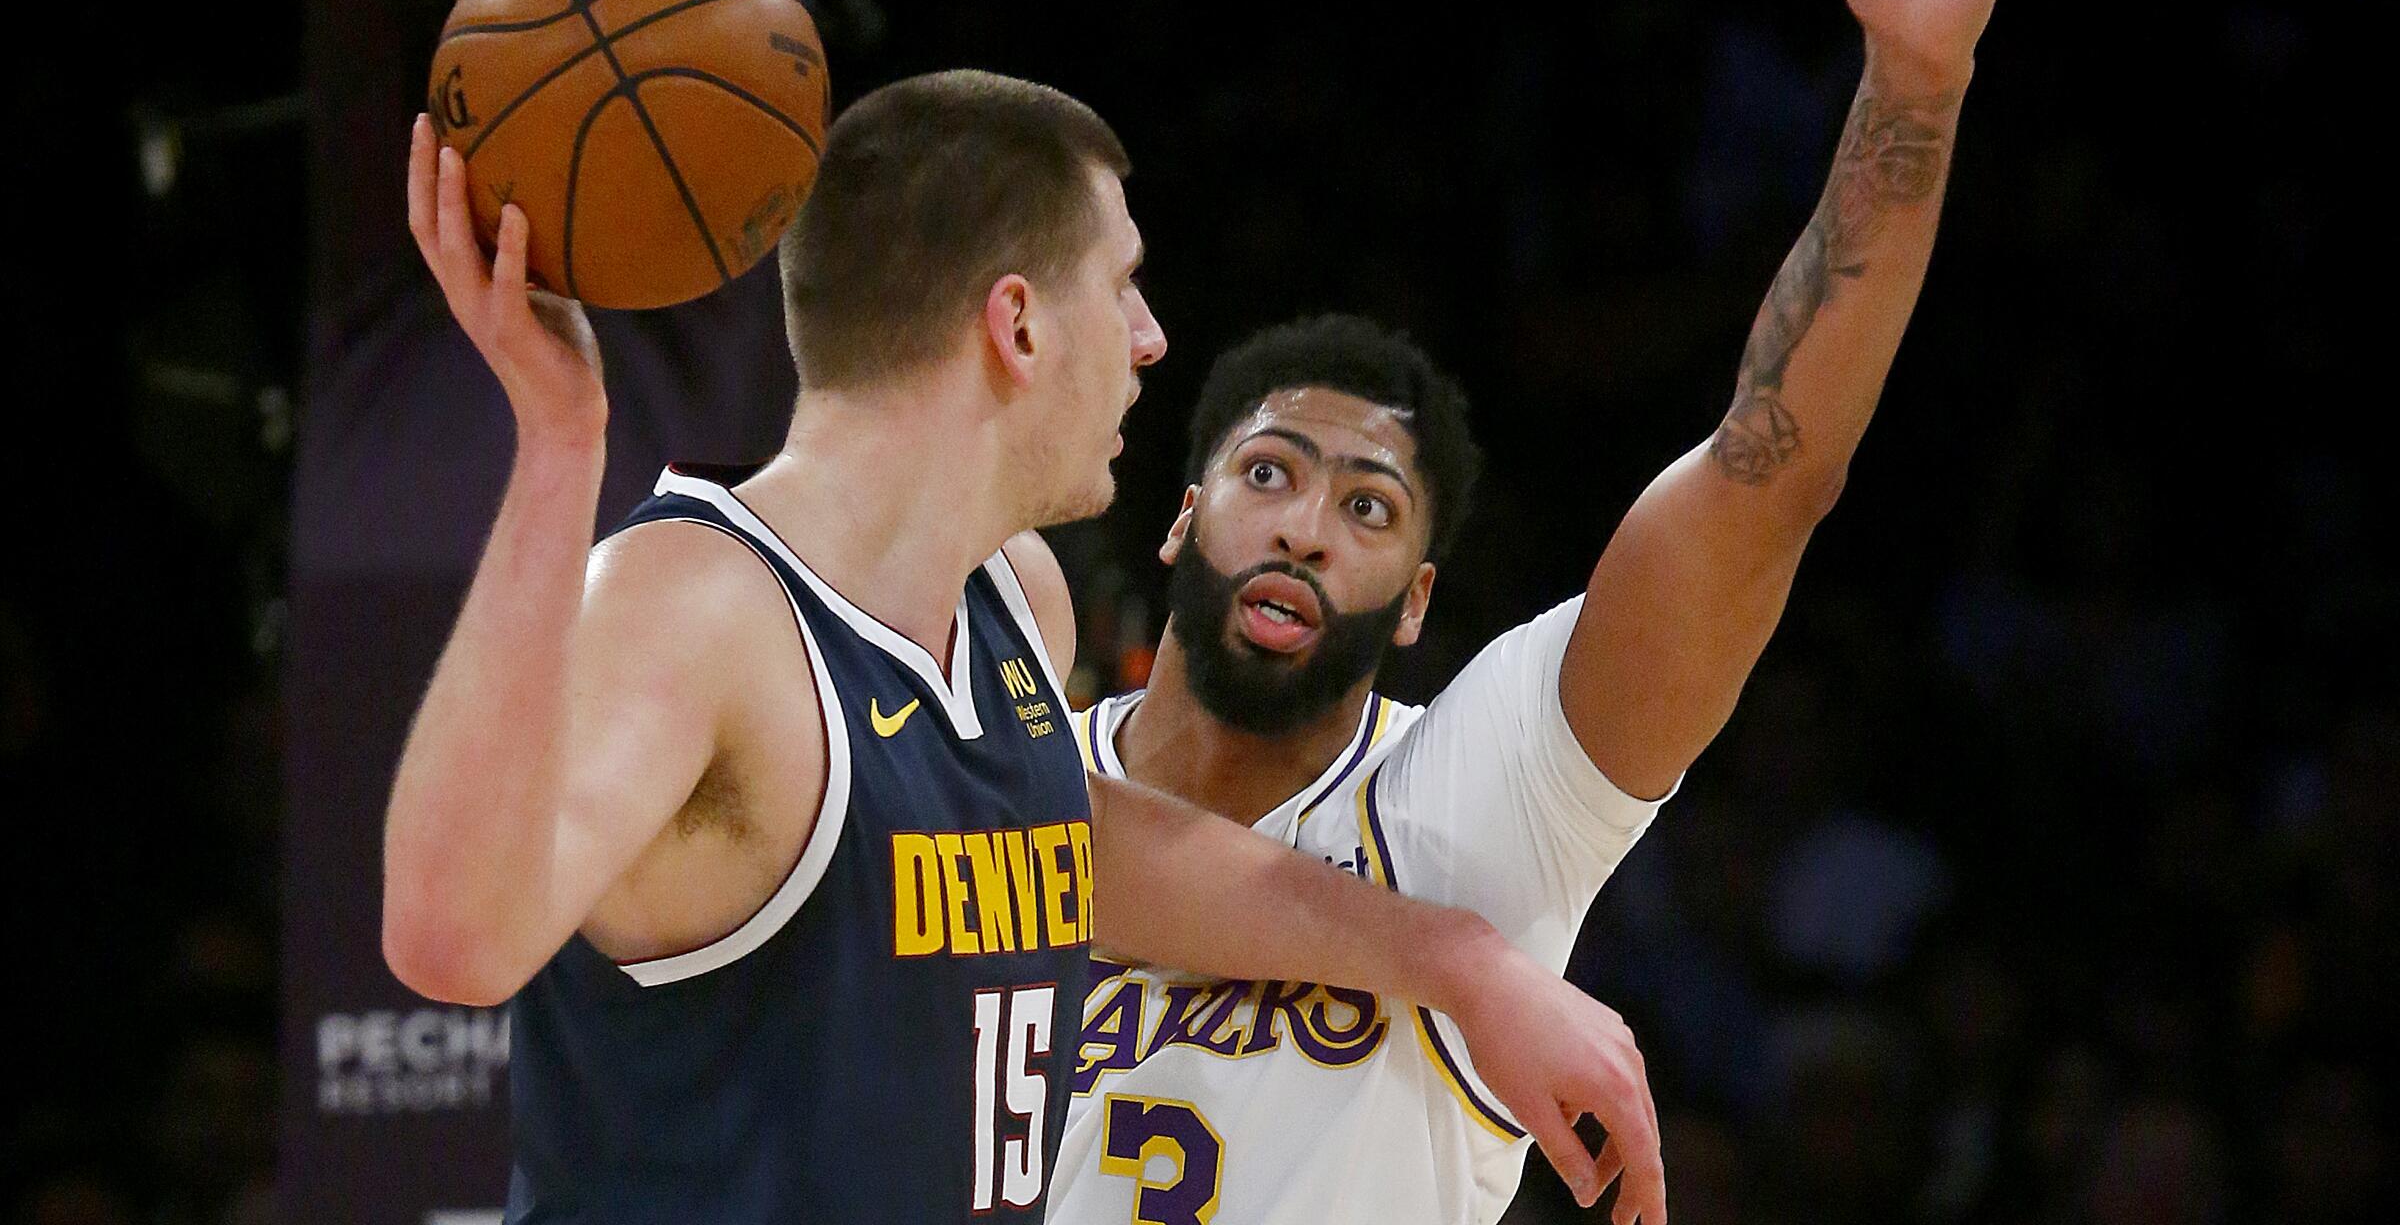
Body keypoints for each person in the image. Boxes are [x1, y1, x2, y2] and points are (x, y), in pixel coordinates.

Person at [1050, 0, 2087, 1225]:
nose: (1308, 527)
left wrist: (1914, 86)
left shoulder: (1474, 804)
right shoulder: (993, 776)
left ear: (1415, 606)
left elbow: (1769, 469)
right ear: (1182, 517)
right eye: (1269, 475)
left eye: (1369, 505)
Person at [380, 70, 1663, 1223]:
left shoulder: (1010, 598)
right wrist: (556, 453)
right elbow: (456, 938)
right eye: (1122, 284)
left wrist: (1461, 961)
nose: (1152, 337)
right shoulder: (699, 607)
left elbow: (1067, 841)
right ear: (1019, 324)